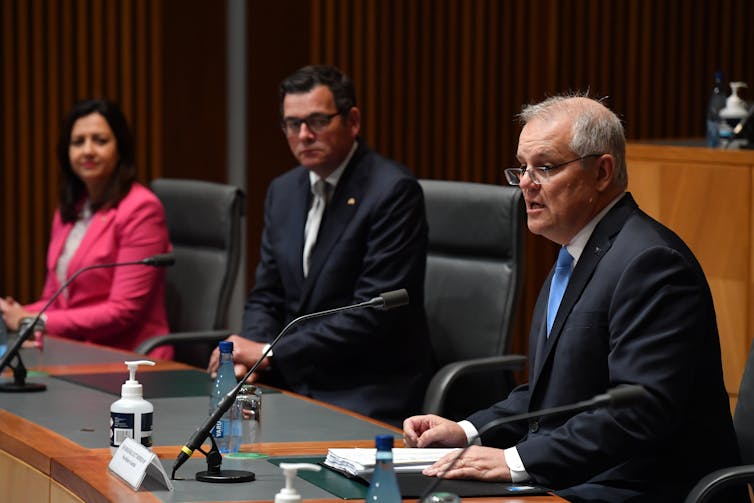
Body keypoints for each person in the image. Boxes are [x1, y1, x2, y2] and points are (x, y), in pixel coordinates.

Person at [403, 95, 741, 502]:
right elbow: (556, 393)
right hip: (584, 478)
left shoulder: (651, 263)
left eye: (544, 168)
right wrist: (469, 431)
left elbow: (637, 414)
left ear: (601, 172)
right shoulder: (577, 253)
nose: (526, 183)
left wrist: (515, 460)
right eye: (522, 169)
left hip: (642, 489)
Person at [207, 65, 432, 426]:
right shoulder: (283, 191)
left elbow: (372, 315)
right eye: (292, 124)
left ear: (352, 120)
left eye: (317, 121)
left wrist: (270, 352)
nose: (304, 135)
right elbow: (268, 294)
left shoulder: (392, 192)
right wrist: (249, 356)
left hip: (363, 386)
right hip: (293, 377)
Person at [0, 99, 172, 359]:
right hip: (72, 351)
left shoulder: (141, 209)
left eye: (100, 141)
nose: (87, 151)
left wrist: (34, 320)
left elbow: (122, 310)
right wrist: (14, 314)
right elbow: (54, 298)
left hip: (129, 359)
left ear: (121, 149)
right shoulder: (70, 209)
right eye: (78, 142)